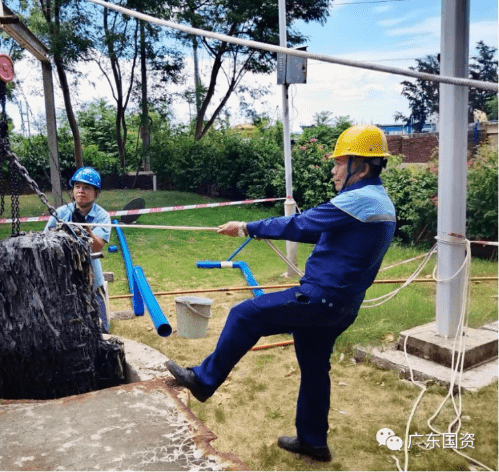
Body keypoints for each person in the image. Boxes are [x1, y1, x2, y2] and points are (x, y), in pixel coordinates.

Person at [165, 125, 396, 462]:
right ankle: (313, 442)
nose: (333, 170)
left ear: (360, 165)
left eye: (339, 162)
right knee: (315, 369)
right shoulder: (379, 201)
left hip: (321, 300)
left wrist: (246, 228)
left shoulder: (360, 199)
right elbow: (329, 235)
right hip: (342, 307)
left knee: (246, 314)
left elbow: (300, 225)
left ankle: (204, 379)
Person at [45, 167, 111, 332]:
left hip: (92, 280)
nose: (81, 191)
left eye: (87, 187)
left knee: (102, 329)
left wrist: (85, 228)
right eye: (77, 187)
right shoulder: (60, 213)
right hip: (65, 280)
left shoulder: (102, 216)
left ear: (96, 193)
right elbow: (44, 243)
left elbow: (97, 246)